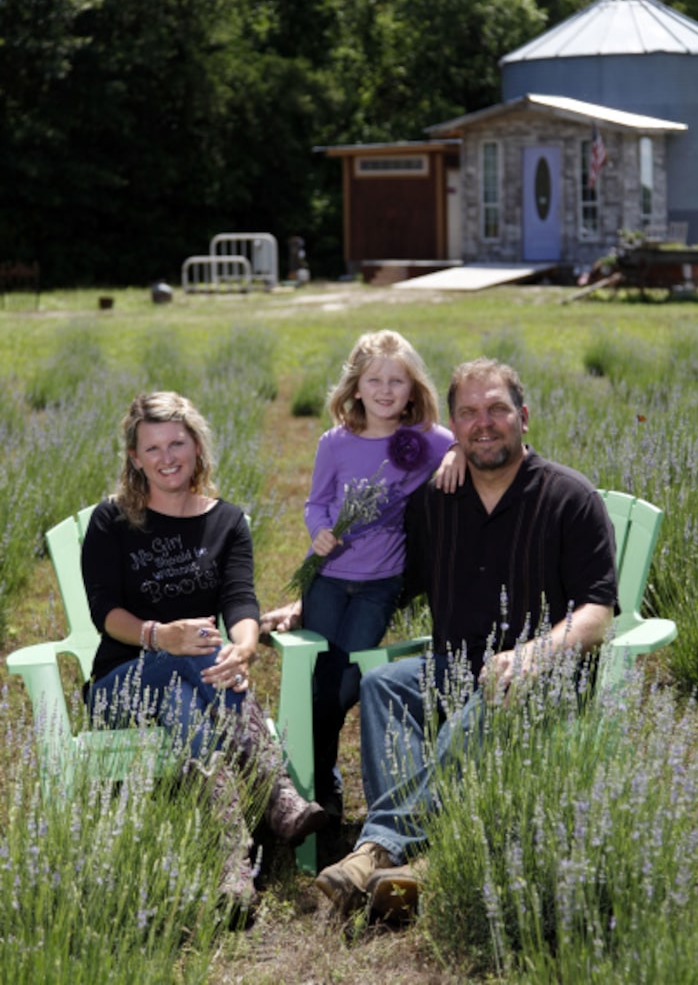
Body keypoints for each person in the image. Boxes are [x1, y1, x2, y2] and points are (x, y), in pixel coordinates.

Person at [313, 358, 618, 919]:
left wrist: (535, 652)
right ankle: (417, 861)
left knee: (493, 693)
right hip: (456, 666)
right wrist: (309, 598)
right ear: (453, 428)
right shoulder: (436, 502)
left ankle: (382, 849)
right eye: (469, 413)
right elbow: (398, 581)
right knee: (384, 685)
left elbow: (597, 611)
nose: (485, 423)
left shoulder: (569, 497)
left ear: (523, 416)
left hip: (542, 676)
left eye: (497, 408)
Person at [81, 391, 327, 913]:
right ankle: (274, 786)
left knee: (185, 693)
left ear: (197, 447)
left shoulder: (227, 521)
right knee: (191, 648)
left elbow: (240, 598)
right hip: (120, 683)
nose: (167, 457)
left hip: (194, 683)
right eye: (152, 448)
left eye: (177, 443)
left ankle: (230, 861)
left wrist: (243, 647)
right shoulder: (111, 522)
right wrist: (159, 636)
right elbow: (103, 611)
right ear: (134, 457)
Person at [259, 329, 464, 824]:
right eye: (375, 380)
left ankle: (304, 774)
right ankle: (323, 785)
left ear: (413, 390)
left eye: (398, 381)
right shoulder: (336, 443)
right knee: (322, 679)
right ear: (356, 388)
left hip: (381, 582)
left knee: (347, 680)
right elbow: (316, 501)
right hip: (328, 578)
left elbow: (464, 442)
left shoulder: (424, 442)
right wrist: (319, 531)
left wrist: (455, 454)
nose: (386, 390)